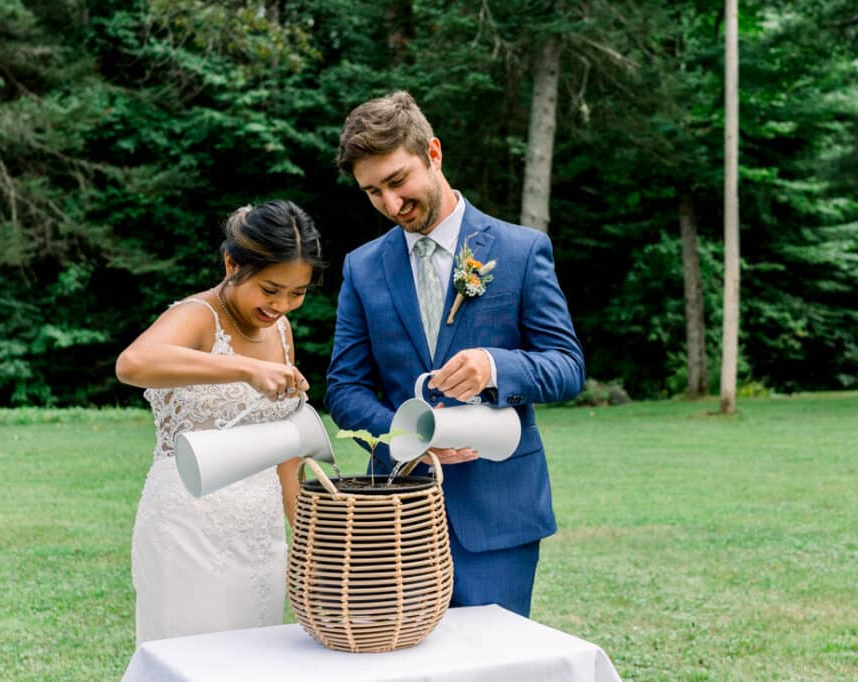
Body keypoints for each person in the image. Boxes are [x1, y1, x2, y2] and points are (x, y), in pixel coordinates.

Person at [325, 91, 585, 617]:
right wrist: (408, 440)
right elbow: (344, 390)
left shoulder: (519, 250)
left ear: (434, 153)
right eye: (373, 192)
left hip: (498, 513)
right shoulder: (362, 267)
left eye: (398, 182)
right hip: (399, 515)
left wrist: (496, 366)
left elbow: (566, 365)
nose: (391, 205)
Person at [115, 200, 324, 644]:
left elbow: (285, 444)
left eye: (297, 292)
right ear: (232, 263)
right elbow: (132, 363)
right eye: (270, 289)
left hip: (260, 531)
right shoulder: (197, 316)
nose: (282, 305)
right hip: (188, 525)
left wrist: (306, 537)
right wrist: (245, 369)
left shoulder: (282, 331)